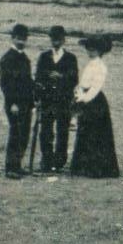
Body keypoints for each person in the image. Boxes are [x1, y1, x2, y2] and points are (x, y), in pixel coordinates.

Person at [70, 35, 120, 178]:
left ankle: (97, 168)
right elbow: (82, 83)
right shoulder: (89, 64)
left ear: (100, 51)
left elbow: (96, 87)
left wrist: (84, 99)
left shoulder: (101, 66)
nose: (90, 52)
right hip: (85, 98)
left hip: (95, 102)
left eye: (93, 50)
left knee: (96, 134)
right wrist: (78, 93)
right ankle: (83, 166)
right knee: (85, 132)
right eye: (88, 49)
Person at [34, 25, 79, 173]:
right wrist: (47, 77)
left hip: (63, 100)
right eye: (54, 39)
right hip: (47, 99)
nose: (56, 42)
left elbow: (74, 79)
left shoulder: (71, 58)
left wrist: (62, 77)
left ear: (64, 40)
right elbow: (38, 76)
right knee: (46, 131)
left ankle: (59, 161)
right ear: (50, 40)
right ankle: (46, 161)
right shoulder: (44, 56)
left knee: (62, 131)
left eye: (59, 39)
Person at [0, 23, 34, 178]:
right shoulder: (7, 59)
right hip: (14, 103)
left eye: (24, 39)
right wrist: (12, 102)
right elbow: (6, 84)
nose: (21, 41)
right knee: (15, 133)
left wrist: (34, 99)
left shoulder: (25, 58)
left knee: (24, 133)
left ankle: (17, 165)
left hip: (26, 102)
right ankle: (11, 167)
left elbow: (28, 82)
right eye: (18, 38)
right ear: (12, 38)